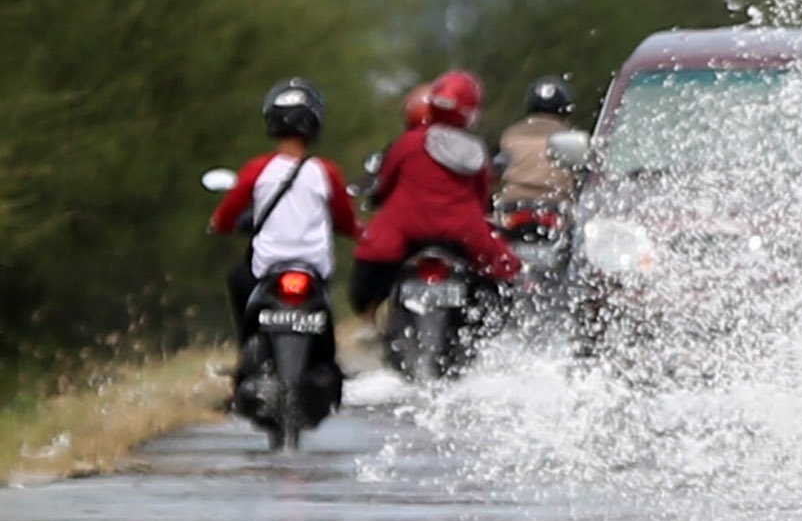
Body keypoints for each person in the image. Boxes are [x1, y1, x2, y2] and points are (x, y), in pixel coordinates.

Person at [353, 67, 522, 312]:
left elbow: (386, 181)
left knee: (372, 258)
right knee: (505, 276)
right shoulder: (475, 150)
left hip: (406, 227)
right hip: (463, 231)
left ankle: (373, 317)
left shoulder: (409, 143)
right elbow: (481, 195)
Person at [210, 77, 358, 336]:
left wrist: (220, 225)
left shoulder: (256, 169)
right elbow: (345, 219)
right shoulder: (326, 171)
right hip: (314, 265)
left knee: (238, 281)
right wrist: (358, 232)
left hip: (267, 266)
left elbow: (226, 215)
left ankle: (247, 350)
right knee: (323, 302)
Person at [491, 76, 580, 211]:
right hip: (556, 206)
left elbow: (494, 170)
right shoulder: (574, 139)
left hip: (512, 204)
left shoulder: (509, 135)